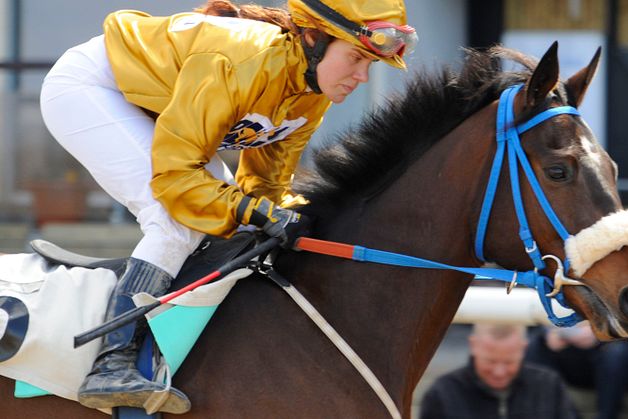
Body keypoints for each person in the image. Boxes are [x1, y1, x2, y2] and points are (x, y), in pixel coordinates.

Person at [39, 0, 417, 413]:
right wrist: (254, 212)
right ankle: (110, 363)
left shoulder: (313, 93)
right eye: (356, 58)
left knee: (233, 222)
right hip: (92, 88)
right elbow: (177, 180)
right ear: (313, 37)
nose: (361, 77)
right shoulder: (239, 59)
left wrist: (283, 213)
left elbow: (266, 185)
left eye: (370, 66)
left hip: (155, 107)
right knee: (173, 220)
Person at [419, 323, 578, 419]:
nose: (499, 372)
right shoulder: (444, 391)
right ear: (473, 345)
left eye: (509, 362)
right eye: (490, 361)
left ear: (523, 349)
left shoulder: (548, 385)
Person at [524, 321, 628, 419]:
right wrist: (548, 334)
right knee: (535, 345)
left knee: (618, 352)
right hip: (569, 355)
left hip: (617, 357)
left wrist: (604, 333)